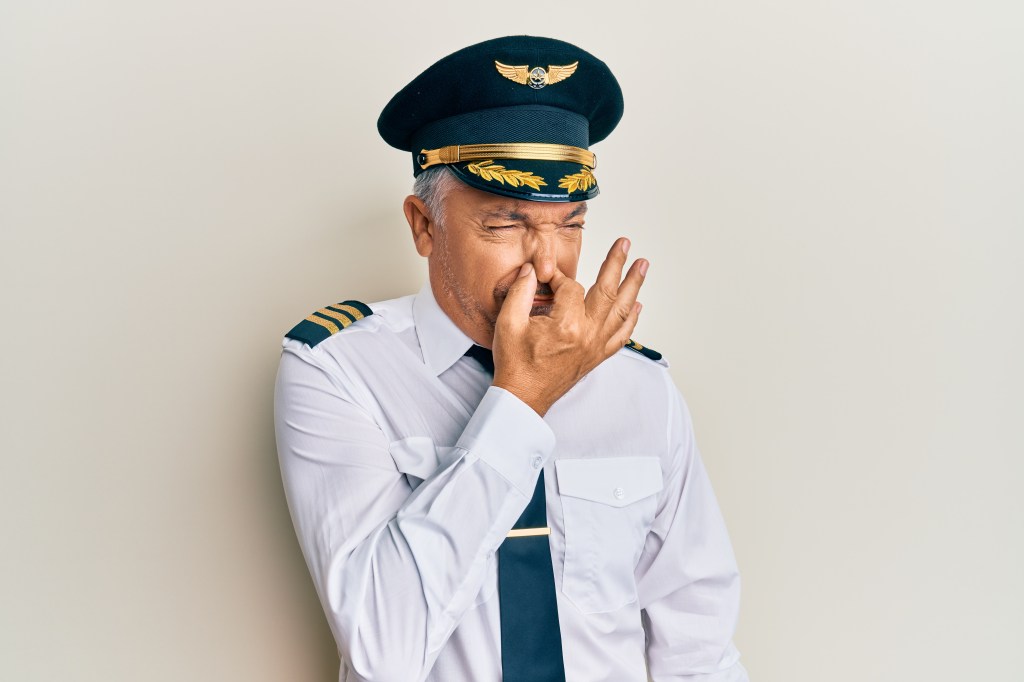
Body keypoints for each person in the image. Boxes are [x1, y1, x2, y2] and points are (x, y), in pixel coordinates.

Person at [275, 35, 749, 682]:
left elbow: (699, 651)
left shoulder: (643, 388)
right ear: (423, 225)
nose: (548, 266)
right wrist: (522, 399)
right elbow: (384, 649)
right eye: (508, 225)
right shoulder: (337, 371)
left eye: (570, 225)